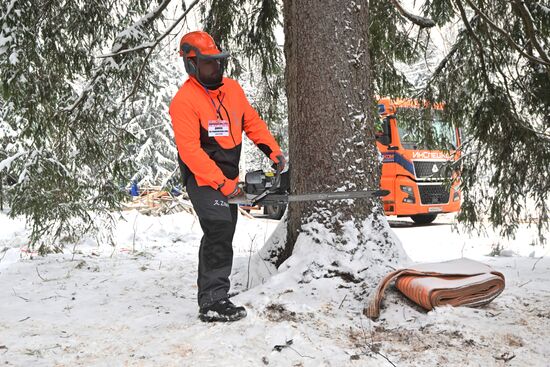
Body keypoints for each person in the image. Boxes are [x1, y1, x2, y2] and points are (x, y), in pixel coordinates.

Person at [169, 31, 285, 322]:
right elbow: (191, 152)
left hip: (229, 176)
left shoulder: (232, 90)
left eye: (217, 63)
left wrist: (274, 151)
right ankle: (211, 301)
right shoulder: (184, 101)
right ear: (191, 65)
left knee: (224, 233)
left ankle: (216, 292)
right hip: (202, 178)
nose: (215, 69)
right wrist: (223, 184)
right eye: (208, 65)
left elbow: (252, 122)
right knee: (218, 229)